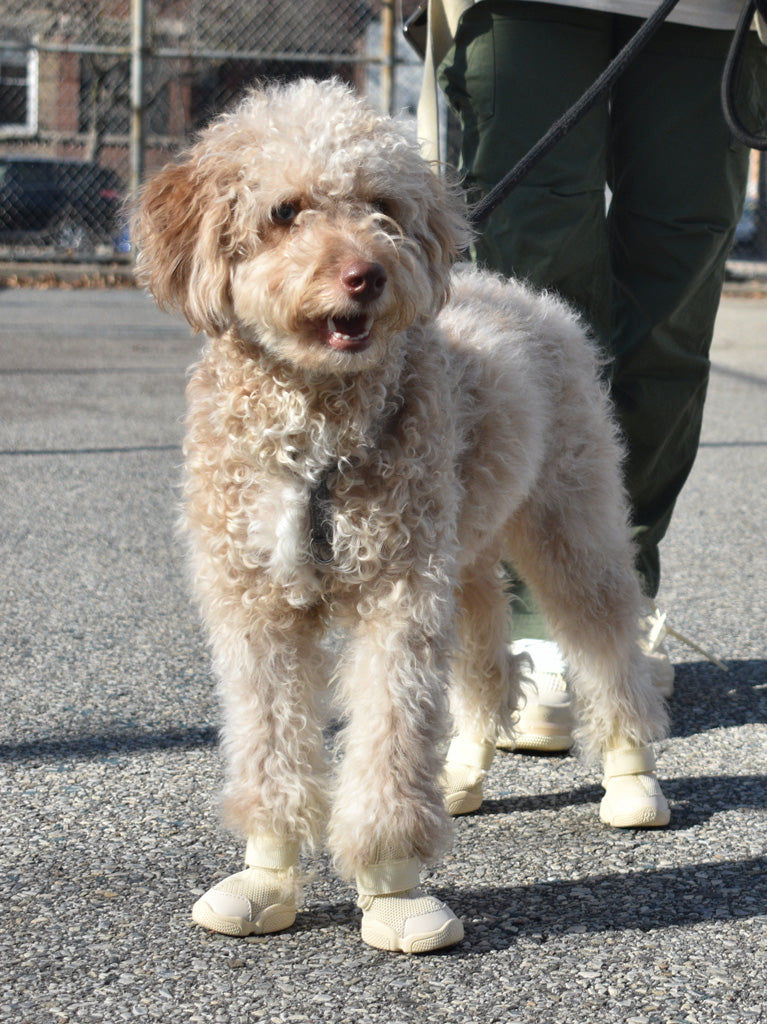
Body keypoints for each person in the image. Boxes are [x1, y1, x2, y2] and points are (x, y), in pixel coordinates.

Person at [417, 0, 767, 752]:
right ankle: (530, 622)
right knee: (530, 307)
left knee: (670, 307)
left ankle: (611, 602)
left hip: (709, 14)